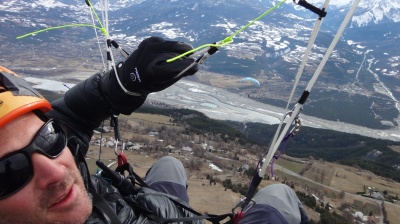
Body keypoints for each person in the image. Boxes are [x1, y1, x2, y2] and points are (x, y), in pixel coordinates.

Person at [0, 36, 309, 224]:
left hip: (145, 208)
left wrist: (117, 87)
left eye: (49, 137)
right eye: (9, 171)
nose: (54, 170)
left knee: (170, 165)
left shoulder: (53, 176)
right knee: (280, 197)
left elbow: (70, 117)